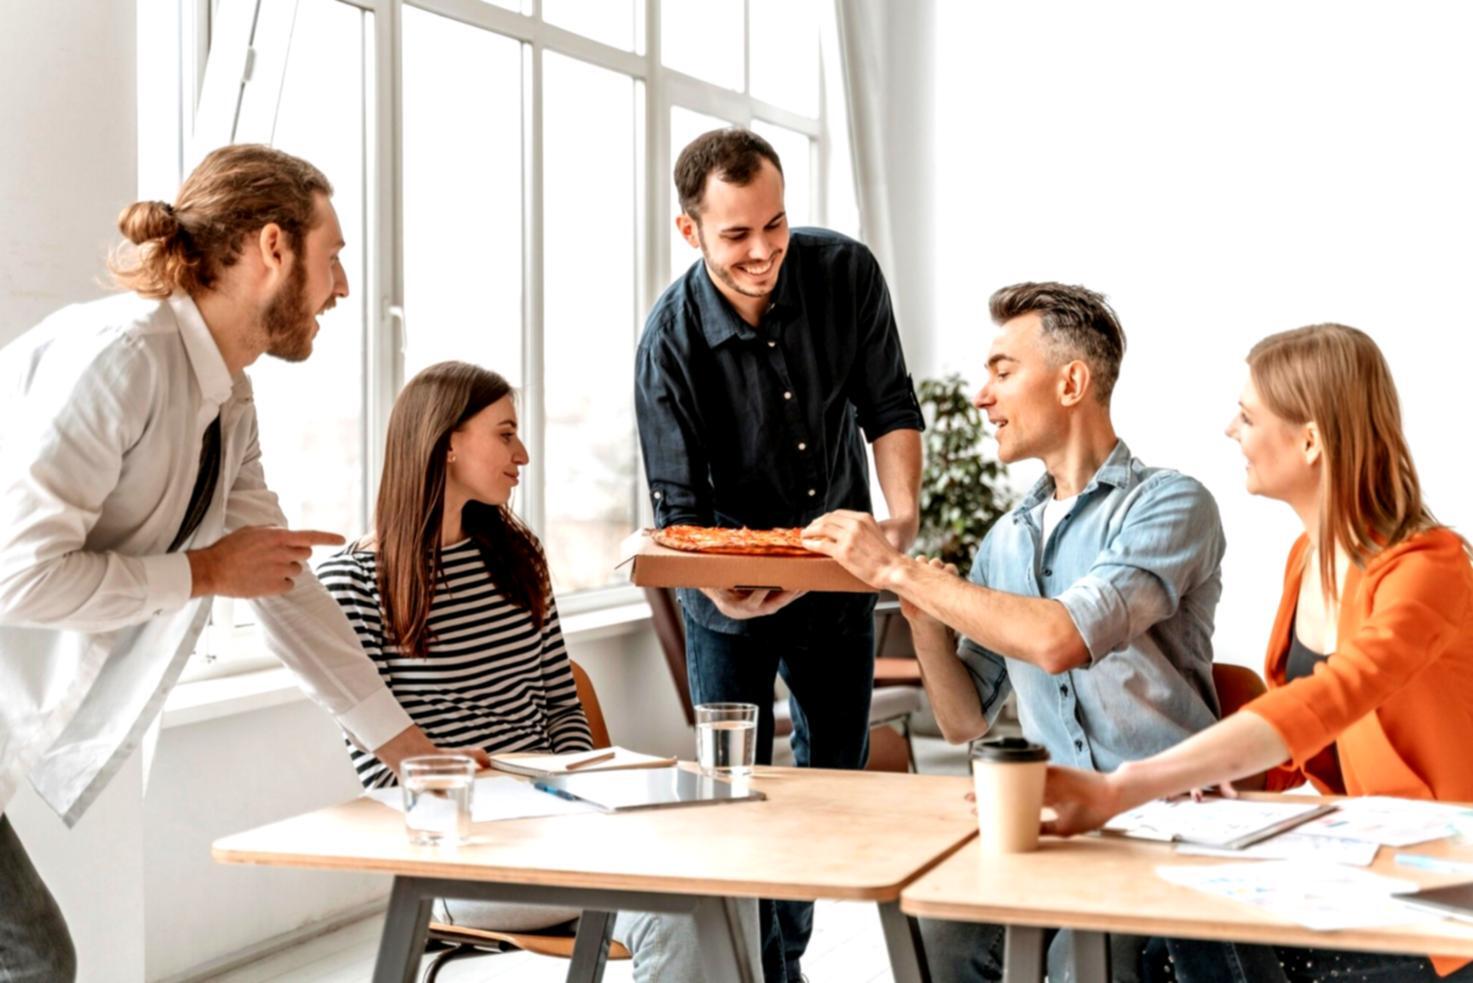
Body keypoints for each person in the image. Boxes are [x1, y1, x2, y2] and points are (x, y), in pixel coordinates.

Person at [0, 144, 474, 982]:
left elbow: (279, 581)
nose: (343, 289)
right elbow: (19, 574)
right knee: (36, 960)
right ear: (272, 248)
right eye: (334, 260)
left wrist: (411, 754)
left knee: (36, 959)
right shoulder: (122, 357)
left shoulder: (225, 392)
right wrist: (206, 573)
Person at [803, 282, 1226, 982]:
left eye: (1002, 371)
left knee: (1075, 959)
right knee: (934, 930)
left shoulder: (1168, 504)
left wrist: (904, 571)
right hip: (1047, 822)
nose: (980, 394)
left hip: (1159, 823)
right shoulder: (1006, 539)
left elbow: (1061, 637)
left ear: (1070, 383)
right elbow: (965, 717)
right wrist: (926, 623)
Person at [1040, 324, 1473, 983]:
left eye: (1246, 416)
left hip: (1444, 893)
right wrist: (1220, 783)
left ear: (1309, 440)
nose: (1228, 430)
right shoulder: (1307, 558)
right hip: (1365, 855)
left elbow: (1331, 696)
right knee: (1158, 939)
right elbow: (1318, 741)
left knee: (1190, 947)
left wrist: (1122, 787)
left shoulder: (1428, 567)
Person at [318, 360, 760, 982]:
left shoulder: (518, 557)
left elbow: (559, 705)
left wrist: (582, 797)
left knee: (732, 868)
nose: (522, 453)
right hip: (461, 854)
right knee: (677, 907)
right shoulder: (351, 584)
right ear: (446, 441)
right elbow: (380, 770)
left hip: (568, 826)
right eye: (504, 433)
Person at [634, 126, 924, 982]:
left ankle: (781, 948)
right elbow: (680, 518)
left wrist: (899, 521)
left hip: (836, 586)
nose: (763, 251)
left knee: (830, 784)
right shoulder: (668, 346)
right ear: (690, 231)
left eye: (775, 224)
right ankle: (772, 969)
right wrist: (721, 593)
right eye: (736, 234)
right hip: (724, 605)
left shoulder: (844, 272)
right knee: (739, 794)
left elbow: (889, 404)